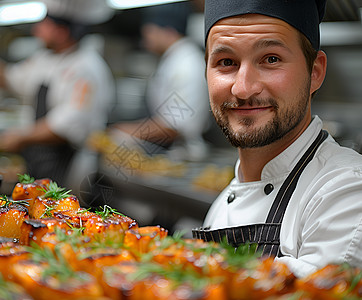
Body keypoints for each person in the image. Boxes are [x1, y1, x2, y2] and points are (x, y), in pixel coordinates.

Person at [193, 0, 362, 278]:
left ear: (315, 72)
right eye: (226, 62)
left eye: (271, 59)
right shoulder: (222, 205)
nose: (244, 88)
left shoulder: (346, 191)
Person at [0, 0, 115, 188]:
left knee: (63, 210)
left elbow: (67, 125)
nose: (36, 30)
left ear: (61, 31)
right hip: (41, 159)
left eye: (44, 24)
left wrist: (21, 136)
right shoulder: (43, 58)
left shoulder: (86, 67)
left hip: (70, 162)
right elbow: (13, 80)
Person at [110, 2, 210, 162]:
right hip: (166, 152)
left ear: (169, 31)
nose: (145, 37)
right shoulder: (173, 59)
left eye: (150, 31)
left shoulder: (188, 64)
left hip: (181, 156)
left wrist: (129, 132)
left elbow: (173, 126)